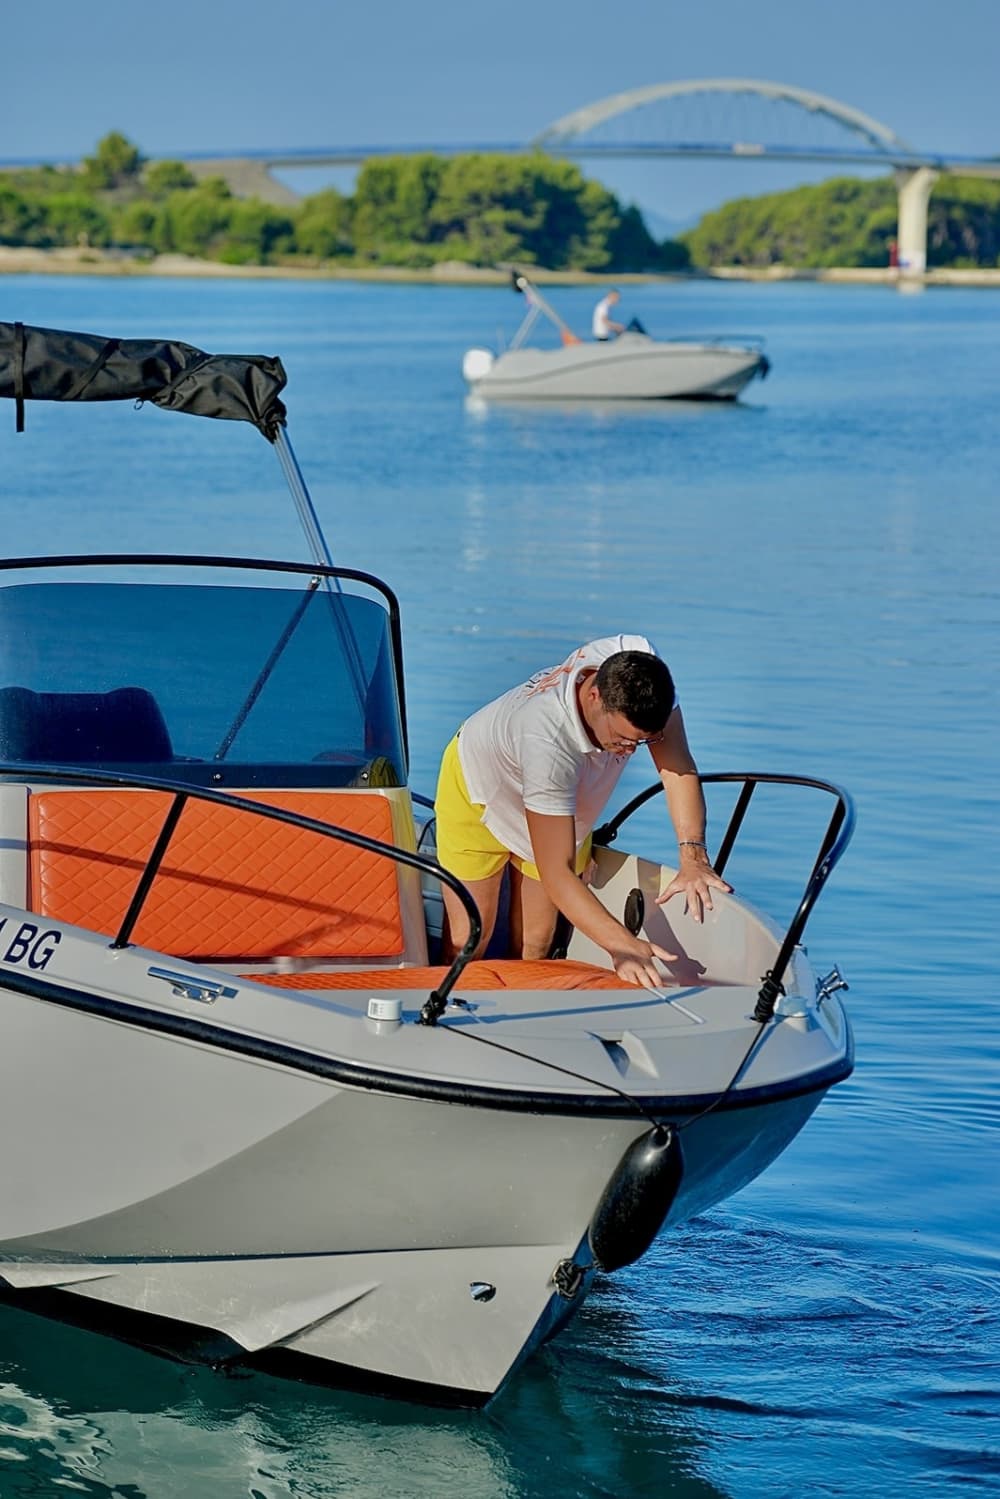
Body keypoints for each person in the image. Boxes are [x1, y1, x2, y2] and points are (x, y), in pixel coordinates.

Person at [434, 637, 732, 990]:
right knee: (469, 938)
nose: (631, 751)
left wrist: (693, 856)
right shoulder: (546, 737)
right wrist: (619, 944)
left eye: (644, 741)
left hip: (563, 803)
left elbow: (676, 767)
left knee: (537, 941)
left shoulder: (637, 662)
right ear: (595, 698)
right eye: (624, 739)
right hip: (481, 789)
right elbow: (556, 873)